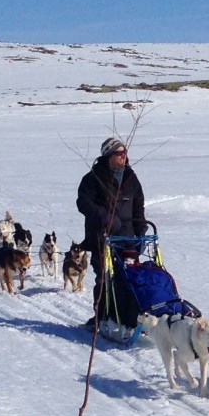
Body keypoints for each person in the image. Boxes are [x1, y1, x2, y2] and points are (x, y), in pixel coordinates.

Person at [76, 137, 146, 327]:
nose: (124, 156)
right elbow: (83, 203)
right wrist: (104, 216)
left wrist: (141, 230)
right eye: (119, 153)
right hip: (102, 237)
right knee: (104, 279)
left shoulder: (131, 177)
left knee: (130, 277)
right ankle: (101, 317)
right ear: (108, 155)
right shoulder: (92, 178)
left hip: (128, 237)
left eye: (125, 152)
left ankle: (128, 317)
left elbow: (138, 205)